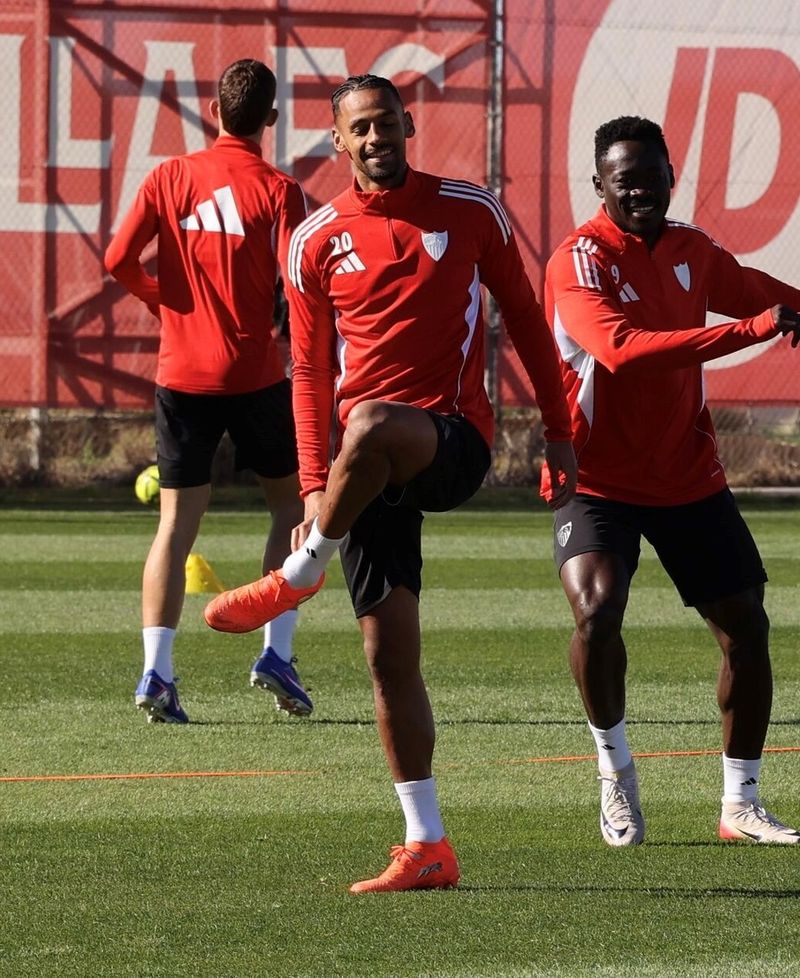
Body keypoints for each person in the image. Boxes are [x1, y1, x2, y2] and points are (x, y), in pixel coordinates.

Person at [202, 74, 578, 893]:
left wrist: (559, 432)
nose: (376, 138)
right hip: (359, 472)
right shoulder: (315, 240)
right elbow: (307, 371)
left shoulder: (470, 210)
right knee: (387, 656)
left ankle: (299, 573)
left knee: (371, 421)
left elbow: (526, 320)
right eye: (360, 129)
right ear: (338, 141)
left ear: (408, 125)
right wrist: (314, 488)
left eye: (386, 123)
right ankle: (426, 843)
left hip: (452, 440)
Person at [544, 116, 800, 849]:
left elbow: (772, 295)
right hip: (596, 475)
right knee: (597, 612)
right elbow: (620, 350)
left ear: (671, 178)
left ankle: (740, 803)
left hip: (686, 473)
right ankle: (614, 772)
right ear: (600, 186)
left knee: (747, 627)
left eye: (653, 177)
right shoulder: (579, 260)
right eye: (626, 181)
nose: (642, 190)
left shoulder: (691, 249)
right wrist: (749, 330)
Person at [104, 58, 310, 724]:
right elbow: (299, 284)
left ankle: (157, 672)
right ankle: (276, 653)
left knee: (175, 525)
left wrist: (166, 302)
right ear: (270, 118)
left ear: (214, 111)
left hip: (182, 376)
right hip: (255, 375)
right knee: (290, 509)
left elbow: (116, 261)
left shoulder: (169, 176)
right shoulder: (280, 188)